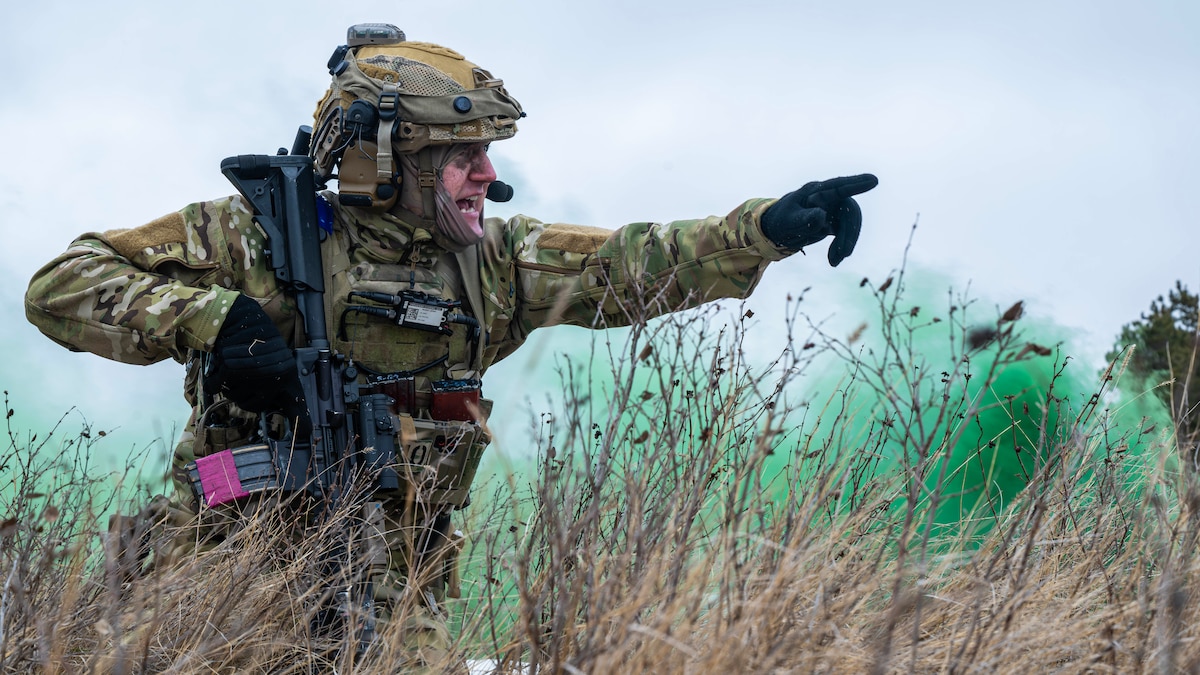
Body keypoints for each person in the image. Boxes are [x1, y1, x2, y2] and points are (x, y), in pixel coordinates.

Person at [24, 22, 877, 667]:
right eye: (460, 154)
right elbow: (59, 285)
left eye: (485, 153)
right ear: (389, 160)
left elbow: (634, 264)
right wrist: (213, 323)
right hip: (215, 575)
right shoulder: (251, 240)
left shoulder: (491, 265)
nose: (487, 174)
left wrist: (768, 228)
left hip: (394, 603)